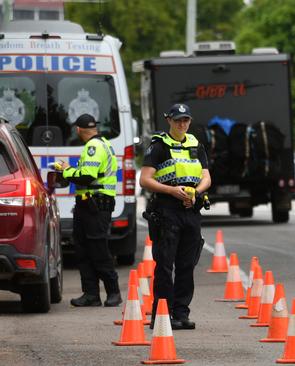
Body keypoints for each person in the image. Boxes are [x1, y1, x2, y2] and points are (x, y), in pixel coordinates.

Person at [139, 103, 211, 330]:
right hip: (167, 210)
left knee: (187, 264)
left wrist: (196, 192)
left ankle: (181, 313)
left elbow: (206, 177)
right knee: (164, 265)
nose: (182, 124)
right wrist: (171, 190)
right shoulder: (159, 146)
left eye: (186, 120)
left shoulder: (195, 144)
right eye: (178, 120)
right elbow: (145, 179)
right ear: (168, 120)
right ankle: (162, 314)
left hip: (190, 209)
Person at [59, 113, 122, 307]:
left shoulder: (94, 147)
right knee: (83, 249)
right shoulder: (102, 144)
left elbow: (87, 176)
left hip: (95, 206)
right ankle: (91, 294)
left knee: (97, 249)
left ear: (78, 130)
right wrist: (71, 169)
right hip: (88, 205)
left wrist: (66, 171)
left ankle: (113, 292)